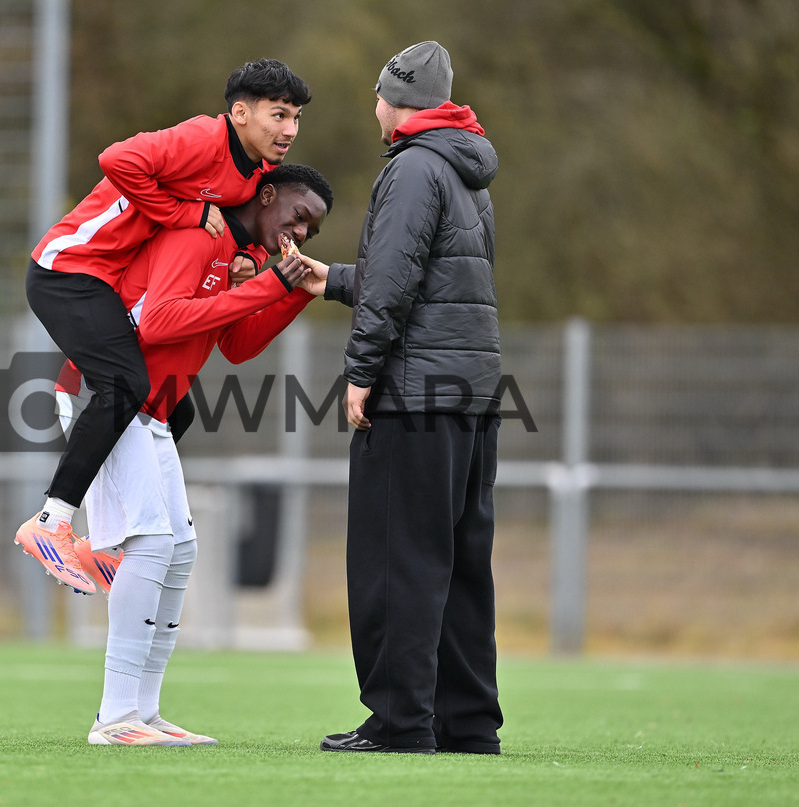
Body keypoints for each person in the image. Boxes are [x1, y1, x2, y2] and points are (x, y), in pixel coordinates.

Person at [54, 164, 332, 745]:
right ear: (267, 194)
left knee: (180, 550)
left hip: (148, 411)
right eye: (298, 216)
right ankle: (113, 718)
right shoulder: (198, 234)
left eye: (312, 231)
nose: (300, 234)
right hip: (108, 399)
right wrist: (267, 285)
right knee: (153, 542)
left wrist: (295, 294)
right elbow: (156, 323)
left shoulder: (235, 250)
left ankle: (143, 712)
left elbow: (235, 343)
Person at [15, 59, 312, 595]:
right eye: (279, 115)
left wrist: (245, 258)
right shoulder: (203, 138)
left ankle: (99, 544)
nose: (290, 129)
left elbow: (242, 229)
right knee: (127, 384)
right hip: (67, 267)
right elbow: (116, 158)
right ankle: (51, 520)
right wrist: (182, 213)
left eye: (296, 118)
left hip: (107, 281)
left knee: (174, 405)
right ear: (239, 113)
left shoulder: (259, 172)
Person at [303, 42, 504, 754]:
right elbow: (434, 278)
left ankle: (399, 720)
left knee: (398, 562)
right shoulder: (463, 168)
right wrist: (328, 279)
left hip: (414, 398)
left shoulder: (414, 168)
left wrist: (361, 373)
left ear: (398, 99)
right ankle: (467, 723)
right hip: (471, 399)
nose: (374, 105)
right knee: (458, 564)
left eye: (378, 93)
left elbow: (393, 283)